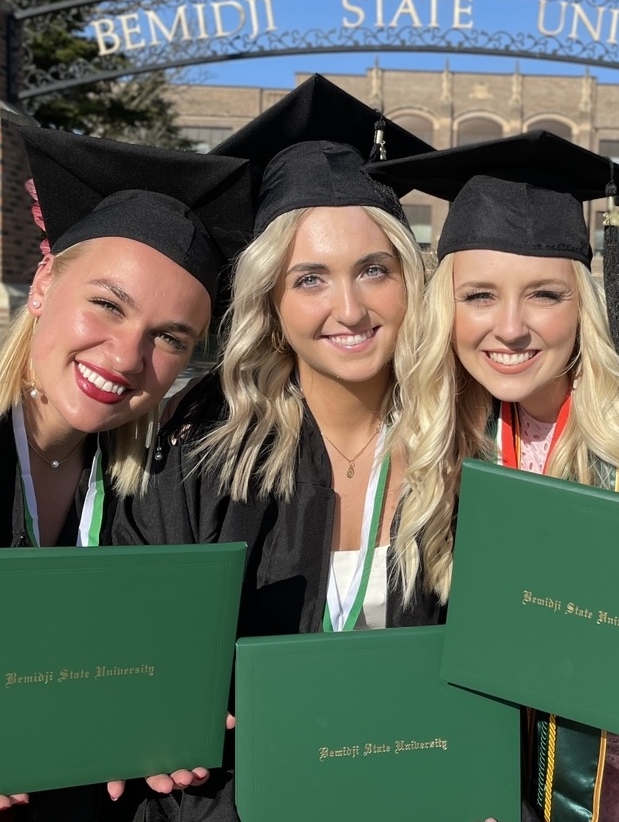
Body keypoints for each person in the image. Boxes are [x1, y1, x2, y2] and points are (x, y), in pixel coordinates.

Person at [366, 130, 619, 822]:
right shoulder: (429, 454)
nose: (512, 327)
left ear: (582, 306)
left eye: (545, 295)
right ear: (445, 310)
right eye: (480, 296)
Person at [107, 74, 434, 821]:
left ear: (410, 281)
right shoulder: (195, 460)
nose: (347, 308)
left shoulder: (466, 445)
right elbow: (142, 668)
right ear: (269, 302)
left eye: (373, 270)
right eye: (309, 278)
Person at [0, 127, 253, 821]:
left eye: (170, 338)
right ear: (44, 284)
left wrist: (156, 718)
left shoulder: (153, 482)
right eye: (107, 303)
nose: (127, 356)